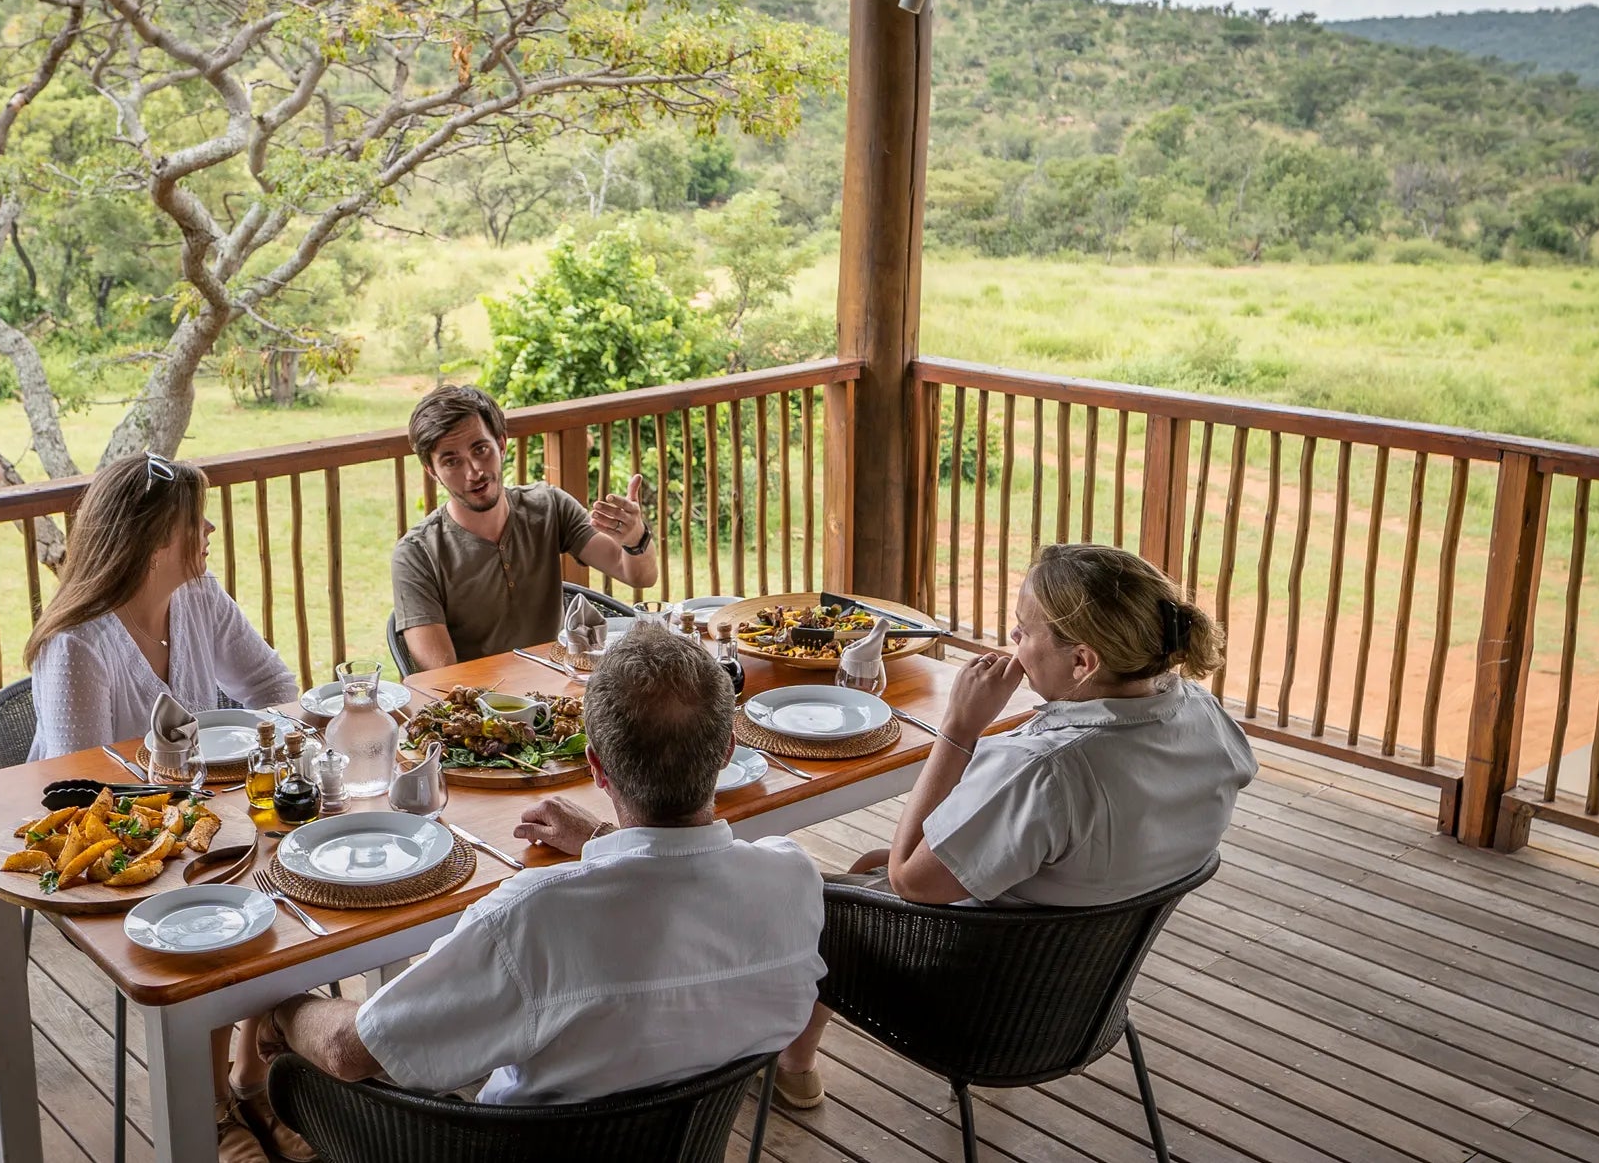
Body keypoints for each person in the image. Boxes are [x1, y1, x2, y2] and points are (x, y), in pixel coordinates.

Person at [234, 624, 825, 1136]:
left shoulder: (535, 915)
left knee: (315, 1061)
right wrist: (600, 844)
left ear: (594, 765)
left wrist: (282, 1007)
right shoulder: (791, 883)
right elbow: (667, 911)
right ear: (726, 750)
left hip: (501, 1148)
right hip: (687, 1142)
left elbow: (349, 1052)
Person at [773, 543, 1257, 1110]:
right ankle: (795, 1061)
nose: (1014, 646)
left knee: (822, 897)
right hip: (1087, 986)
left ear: (1083, 662)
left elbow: (909, 880)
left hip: (986, 1006)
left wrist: (958, 728)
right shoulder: (1203, 716)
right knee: (865, 868)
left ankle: (792, 1064)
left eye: (1023, 632)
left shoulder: (1047, 769)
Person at [23, 452, 296, 761]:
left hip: (203, 802)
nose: (210, 527)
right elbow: (86, 783)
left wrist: (256, 764)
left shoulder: (199, 592)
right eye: (194, 520)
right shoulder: (75, 647)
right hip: (114, 807)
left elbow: (271, 684)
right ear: (154, 541)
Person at [391, 384, 658, 670]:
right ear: (433, 472)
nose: (474, 472)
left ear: (502, 444)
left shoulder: (548, 506)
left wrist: (634, 537)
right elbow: (439, 680)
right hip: (479, 708)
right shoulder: (416, 555)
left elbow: (640, 575)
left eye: (480, 449)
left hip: (564, 693)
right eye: (451, 461)